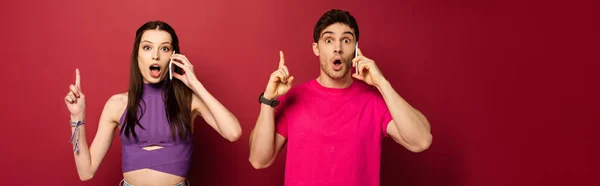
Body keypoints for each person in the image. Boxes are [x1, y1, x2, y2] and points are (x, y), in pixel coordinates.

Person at [248, 9, 432, 186]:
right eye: (329, 40)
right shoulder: (294, 98)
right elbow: (259, 160)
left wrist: (382, 83)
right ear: (316, 48)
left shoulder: (374, 101)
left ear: (356, 48)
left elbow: (421, 141)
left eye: (346, 40)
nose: (338, 48)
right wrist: (267, 101)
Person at [64, 21, 242, 186]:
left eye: (164, 49)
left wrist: (196, 85)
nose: (155, 56)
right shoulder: (117, 104)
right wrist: (77, 116)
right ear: (137, 54)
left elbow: (233, 132)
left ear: (174, 56)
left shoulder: (188, 100)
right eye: (147, 47)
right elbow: (86, 171)